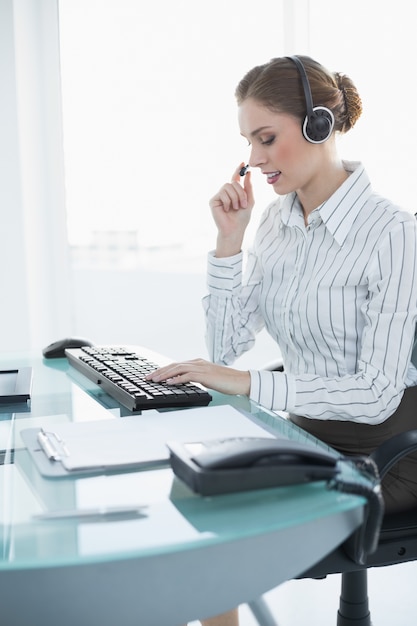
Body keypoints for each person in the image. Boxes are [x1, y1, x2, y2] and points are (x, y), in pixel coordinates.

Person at [147, 55, 417, 626]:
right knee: (194, 488)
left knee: (220, 514)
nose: (254, 159)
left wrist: (252, 386)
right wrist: (228, 244)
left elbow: (376, 395)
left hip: (386, 449)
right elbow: (225, 349)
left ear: (319, 124)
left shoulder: (394, 233)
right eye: (248, 142)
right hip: (303, 431)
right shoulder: (274, 224)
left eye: (266, 138)